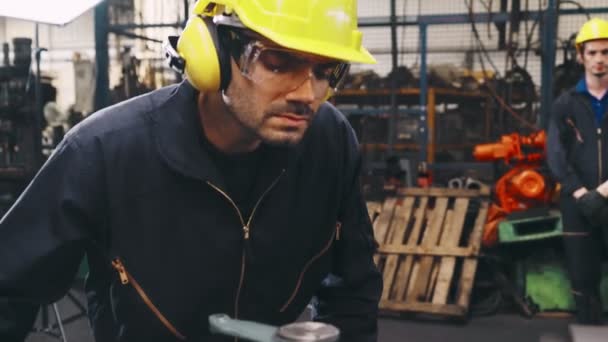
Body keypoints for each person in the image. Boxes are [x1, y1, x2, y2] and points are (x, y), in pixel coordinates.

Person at [0, 1, 382, 341]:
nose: (307, 94)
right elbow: (8, 289)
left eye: (325, 71)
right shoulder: (103, 152)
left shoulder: (329, 142)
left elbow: (353, 287)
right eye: (278, 63)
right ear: (211, 53)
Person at [547, 17, 608, 325]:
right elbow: (555, 153)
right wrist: (582, 193)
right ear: (581, 55)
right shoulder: (565, 104)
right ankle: (589, 328)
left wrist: (604, 191)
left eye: (606, 52)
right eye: (593, 52)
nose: (599, 60)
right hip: (577, 202)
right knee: (582, 275)